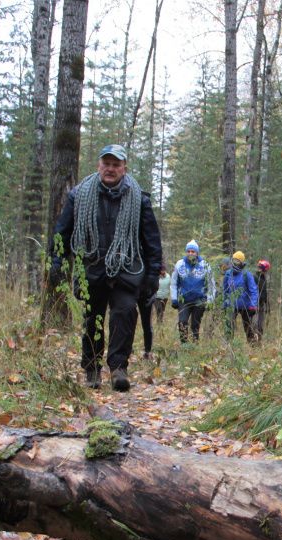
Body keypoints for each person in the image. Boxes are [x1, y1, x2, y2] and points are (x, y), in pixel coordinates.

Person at [48, 144, 162, 391]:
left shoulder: (139, 200)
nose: (110, 169)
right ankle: (92, 368)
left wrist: (153, 274)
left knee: (125, 312)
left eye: (116, 165)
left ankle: (119, 368)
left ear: (124, 168)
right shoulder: (79, 196)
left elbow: (152, 239)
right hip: (92, 268)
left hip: (126, 269)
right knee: (93, 319)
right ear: (99, 165)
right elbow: (62, 232)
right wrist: (57, 262)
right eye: (106, 164)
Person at [170, 240, 216, 343]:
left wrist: (210, 301)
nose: (190, 253)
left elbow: (211, 285)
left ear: (197, 253)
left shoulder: (205, 265)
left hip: (199, 300)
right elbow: (173, 282)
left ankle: (195, 344)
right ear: (186, 252)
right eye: (188, 251)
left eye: (193, 251)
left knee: (195, 324)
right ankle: (184, 344)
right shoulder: (179, 264)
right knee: (182, 322)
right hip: (184, 299)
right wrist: (174, 298)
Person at [221, 251, 259, 344]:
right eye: (234, 260)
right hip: (231, 305)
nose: (235, 263)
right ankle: (228, 346)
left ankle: (252, 346)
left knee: (248, 328)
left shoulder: (247, 274)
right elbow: (225, 290)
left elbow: (253, 290)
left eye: (238, 261)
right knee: (229, 326)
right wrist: (224, 303)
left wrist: (253, 305)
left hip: (245, 306)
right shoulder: (228, 274)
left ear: (242, 263)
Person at [138, 267, 166, 360]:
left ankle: (148, 351)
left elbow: (159, 267)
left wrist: (152, 289)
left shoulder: (154, 261)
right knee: (129, 319)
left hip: (147, 290)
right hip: (130, 286)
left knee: (146, 322)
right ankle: (127, 351)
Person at [253, 259, 270, 339]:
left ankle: (259, 340)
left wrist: (266, 302)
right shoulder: (255, 277)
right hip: (255, 304)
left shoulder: (263, 278)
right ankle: (253, 339)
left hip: (261, 304)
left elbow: (264, 291)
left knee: (260, 324)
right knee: (255, 324)